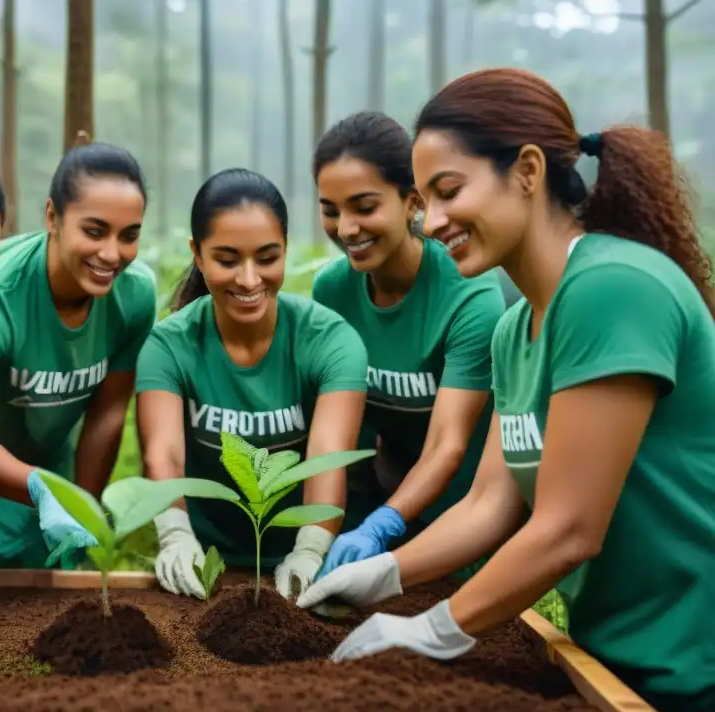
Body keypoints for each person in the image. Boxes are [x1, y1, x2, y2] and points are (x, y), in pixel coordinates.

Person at [297, 68, 715, 712]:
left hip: (693, 663)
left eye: (449, 191)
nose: (431, 221)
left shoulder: (613, 289)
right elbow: (490, 502)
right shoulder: (516, 327)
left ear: (526, 171)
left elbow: (570, 528)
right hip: (612, 661)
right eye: (424, 199)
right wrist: (384, 575)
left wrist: (434, 629)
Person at [135, 168, 369, 601]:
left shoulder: (330, 341)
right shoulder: (169, 346)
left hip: (299, 554)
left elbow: (327, 457)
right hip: (206, 564)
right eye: (226, 260)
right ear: (197, 254)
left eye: (267, 258)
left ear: (285, 250)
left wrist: (312, 550)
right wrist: (174, 535)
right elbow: (162, 453)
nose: (248, 279)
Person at [310, 111, 506, 577]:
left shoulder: (469, 295)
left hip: (462, 517)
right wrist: (328, 527)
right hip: (375, 499)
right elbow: (341, 427)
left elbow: (447, 444)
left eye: (364, 206)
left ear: (412, 201)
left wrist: (384, 525)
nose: (346, 228)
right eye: (330, 209)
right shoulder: (332, 291)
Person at [0, 141, 157, 570]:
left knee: (56, 584)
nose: (112, 254)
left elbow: (108, 411)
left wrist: (82, 506)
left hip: (50, 457)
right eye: (94, 231)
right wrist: (45, 494)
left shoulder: (134, 296)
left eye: (128, 235)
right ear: (52, 217)